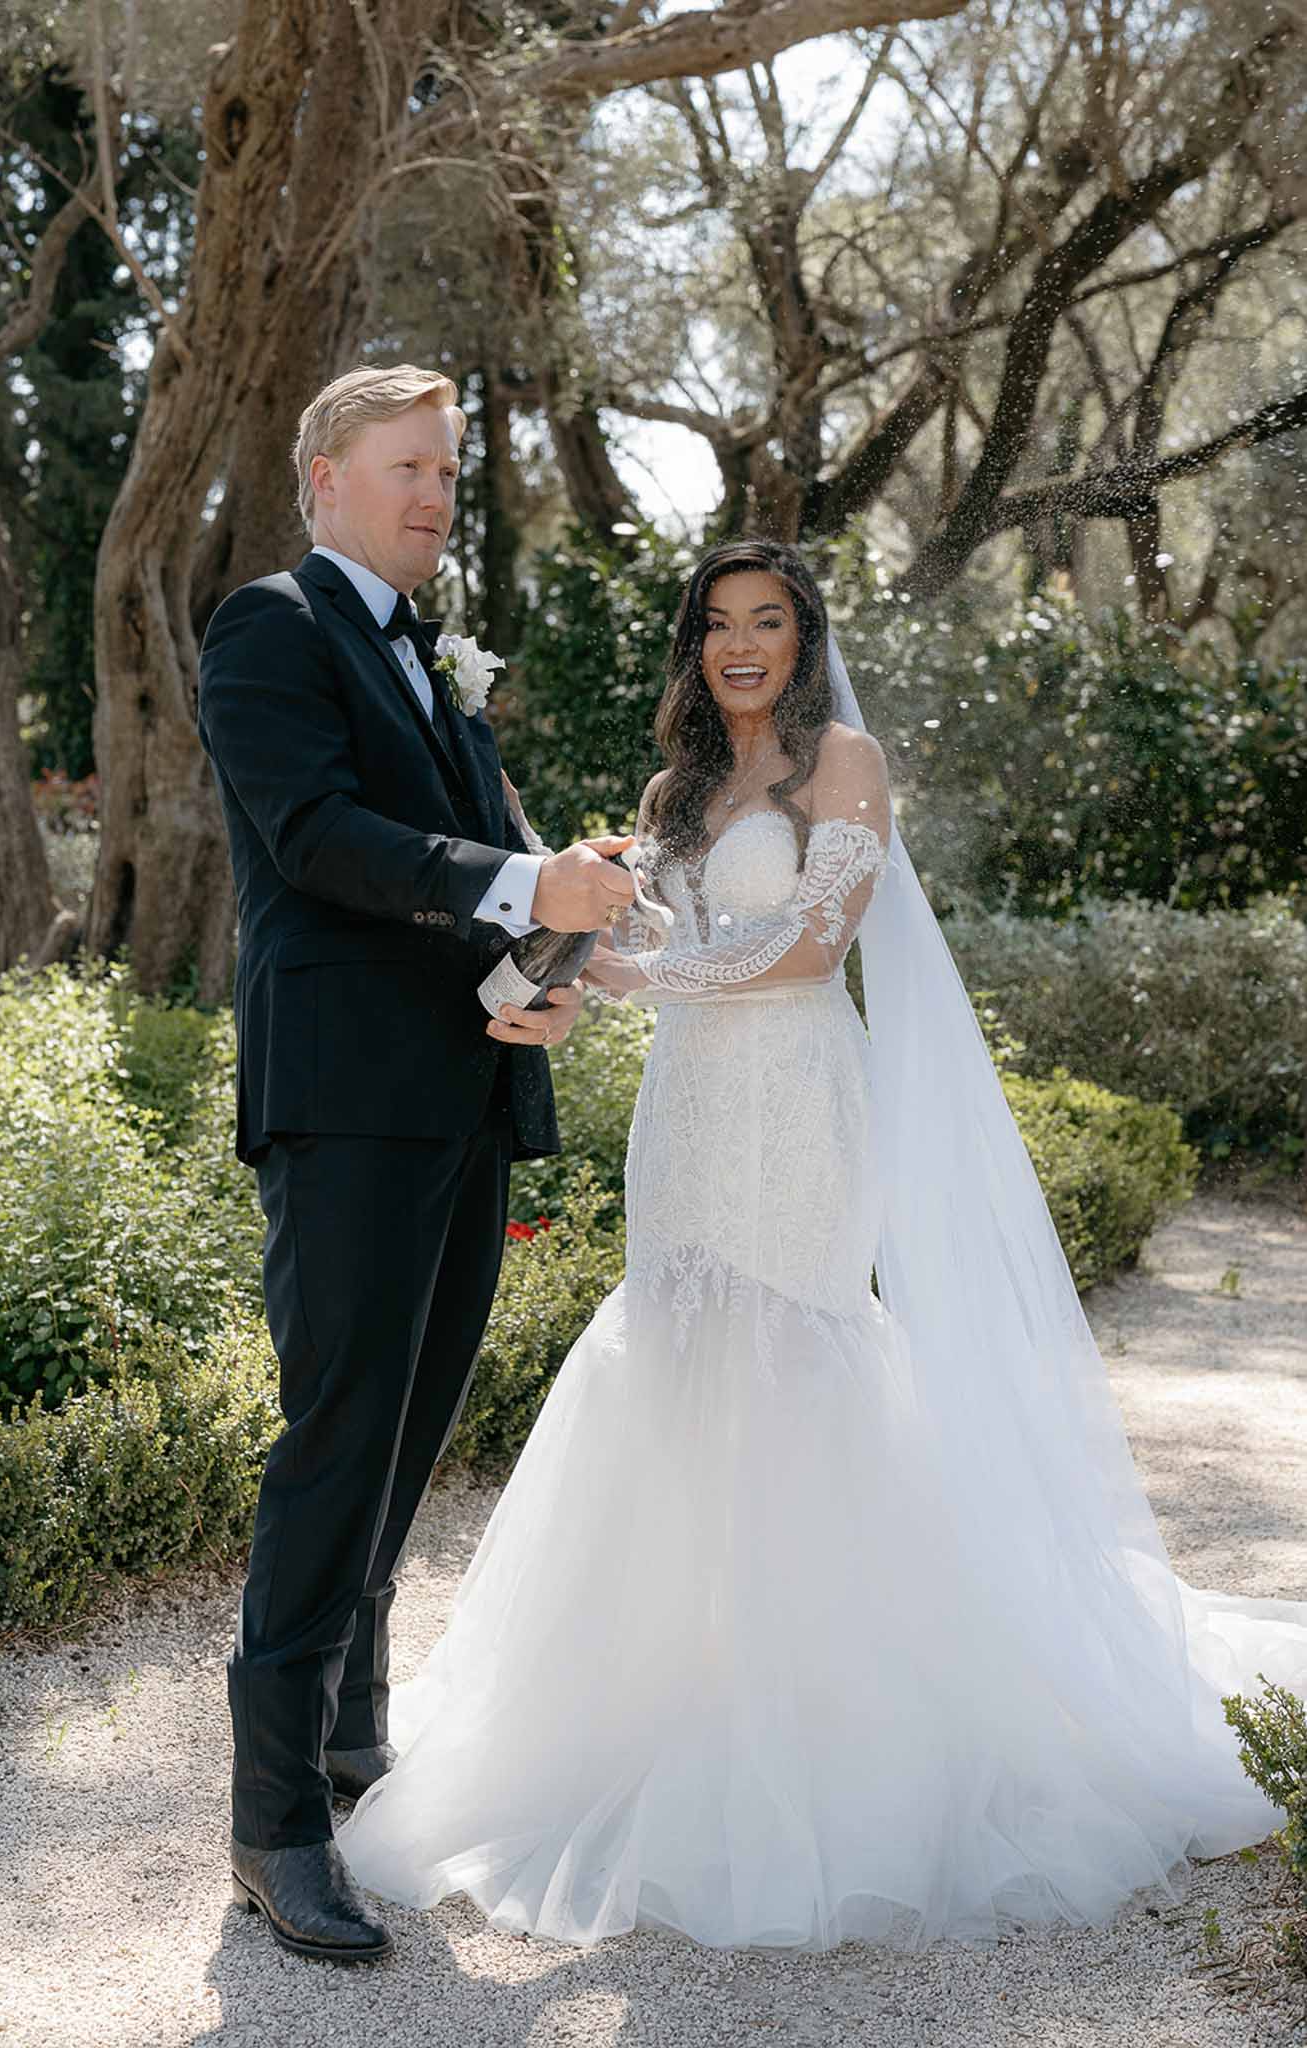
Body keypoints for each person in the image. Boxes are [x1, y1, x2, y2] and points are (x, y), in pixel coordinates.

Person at [337, 538, 1307, 1953]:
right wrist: (573, 970)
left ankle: (829, 1700)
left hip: (796, 1095)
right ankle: (676, 1682)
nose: (743, 646)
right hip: (684, 1111)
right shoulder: (675, 788)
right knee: (677, 1349)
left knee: (795, 1347)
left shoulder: (839, 763)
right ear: (696, 643)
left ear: (801, 638)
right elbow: (658, 930)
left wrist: (645, 970)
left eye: (768, 622)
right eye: (720, 624)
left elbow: (803, 946)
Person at [196, 364, 634, 1963]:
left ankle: (351, 1743)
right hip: (346, 1103)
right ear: (323, 479)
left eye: (448, 471)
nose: (436, 495)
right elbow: (314, 841)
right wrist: (522, 873)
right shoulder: (274, 629)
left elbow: (484, 878)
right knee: (336, 1438)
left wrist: (549, 958)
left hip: (457, 1096)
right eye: (406, 468)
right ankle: (273, 1825)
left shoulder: (437, 665)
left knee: (407, 1437)